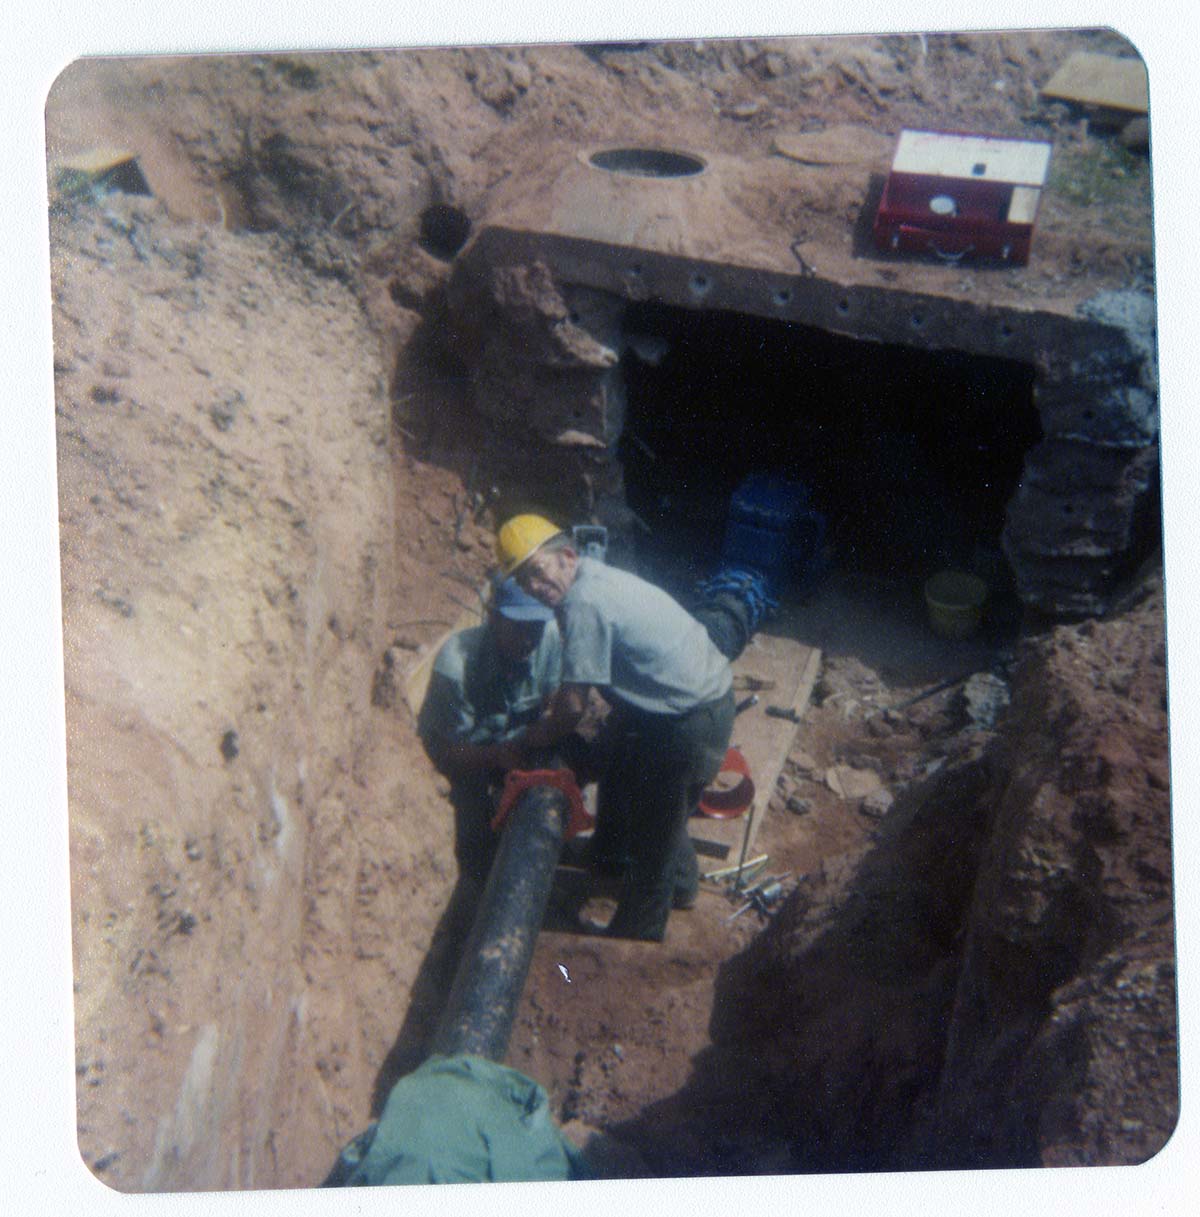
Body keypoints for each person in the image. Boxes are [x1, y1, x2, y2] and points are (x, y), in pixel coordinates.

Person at [496, 514, 736, 942]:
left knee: (656, 826)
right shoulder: (592, 577)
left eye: (538, 571)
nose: (534, 587)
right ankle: (618, 861)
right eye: (523, 580)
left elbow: (572, 708)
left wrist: (531, 738)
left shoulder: (583, 603)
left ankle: (638, 931)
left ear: (567, 556)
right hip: (681, 704)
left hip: (690, 720)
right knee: (631, 778)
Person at [417, 575, 564, 888]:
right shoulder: (456, 666)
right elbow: (446, 753)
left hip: (516, 749)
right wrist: (497, 757)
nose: (529, 639)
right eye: (519, 627)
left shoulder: (547, 637)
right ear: (494, 618)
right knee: (474, 843)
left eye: (534, 628)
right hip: (468, 761)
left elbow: (552, 699)